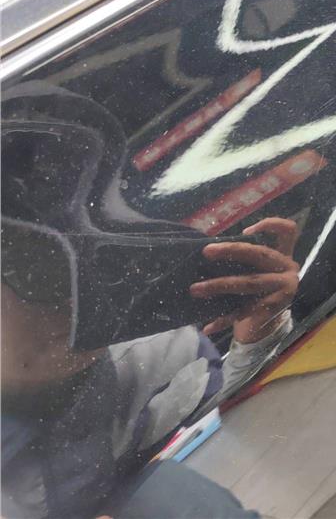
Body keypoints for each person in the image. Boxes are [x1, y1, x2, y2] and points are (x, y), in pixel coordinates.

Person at [1, 82, 300, 518]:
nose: (78, 293)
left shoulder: (159, 357)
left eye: (100, 257)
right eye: (32, 268)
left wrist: (259, 336)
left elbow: (219, 407)